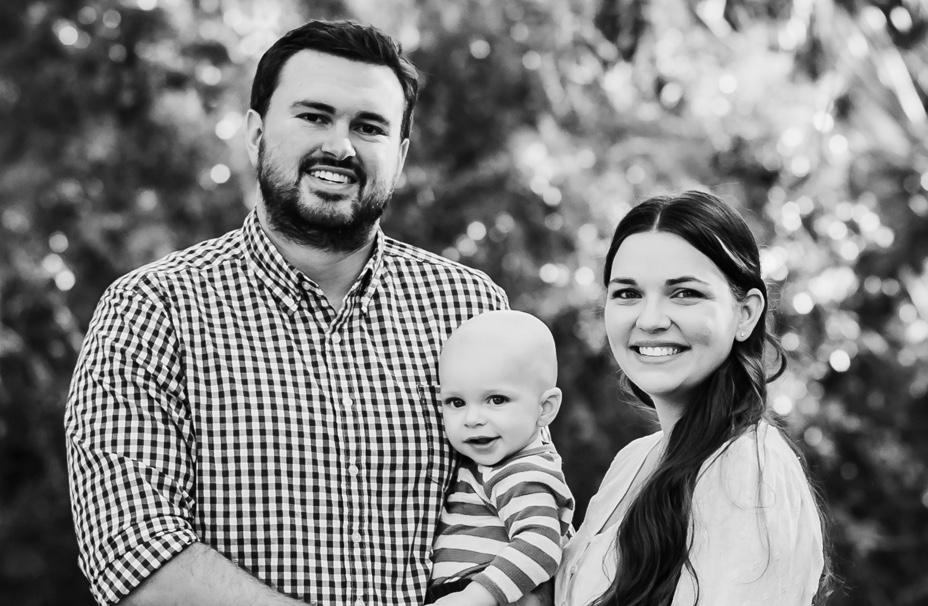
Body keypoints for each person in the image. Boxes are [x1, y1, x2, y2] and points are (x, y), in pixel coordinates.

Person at [65, 19, 516, 606]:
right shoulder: (152, 310)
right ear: (255, 134)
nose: (340, 146)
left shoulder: (472, 310)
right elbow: (132, 552)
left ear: (400, 156)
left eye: (369, 127)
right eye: (313, 116)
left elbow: (525, 520)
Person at [555, 191, 831, 605]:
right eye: (628, 293)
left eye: (684, 293)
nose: (649, 320)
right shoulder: (635, 461)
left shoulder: (748, 472)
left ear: (745, 314)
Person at [427, 311, 574, 606]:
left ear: (545, 408)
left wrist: (476, 596)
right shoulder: (495, 465)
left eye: (496, 400)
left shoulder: (522, 472)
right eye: (456, 402)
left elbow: (540, 545)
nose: (472, 419)